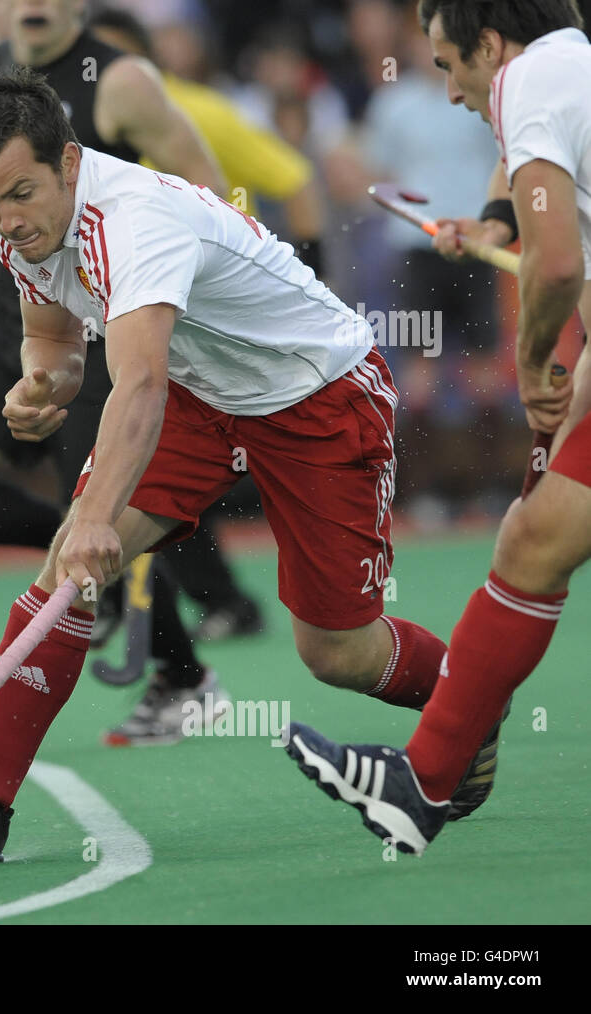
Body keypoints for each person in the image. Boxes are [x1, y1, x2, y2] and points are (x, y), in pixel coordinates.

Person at [0, 67, 490, 864]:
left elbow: (140, 383)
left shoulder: (131, 221)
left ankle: (469, 702)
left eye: (20, 194)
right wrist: (42, 382)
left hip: (317, 393)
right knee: (68, 570)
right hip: (207, 393)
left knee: (336, 652)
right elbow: (55, 338)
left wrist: (96, 514)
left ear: (67, 161)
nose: (7, 219)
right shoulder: (22, 221)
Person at [0, 0, 230, 744]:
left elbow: (213, 194)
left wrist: (193, 302)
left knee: (96, 518)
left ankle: (187, 678)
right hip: (21, 314)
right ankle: (78, 563)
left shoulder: (124, 80)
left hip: (108, 327)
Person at [286, 0, 590, 855]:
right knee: (534, 542)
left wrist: (535, 362)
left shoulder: (531, 78)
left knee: (532, 543)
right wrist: (496, 226)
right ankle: (425, 781)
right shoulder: (570, 68)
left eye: (453, 65)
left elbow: (560, 265)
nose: (452, 91)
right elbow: (532, 190)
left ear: (491, 45)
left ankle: (425, 777)